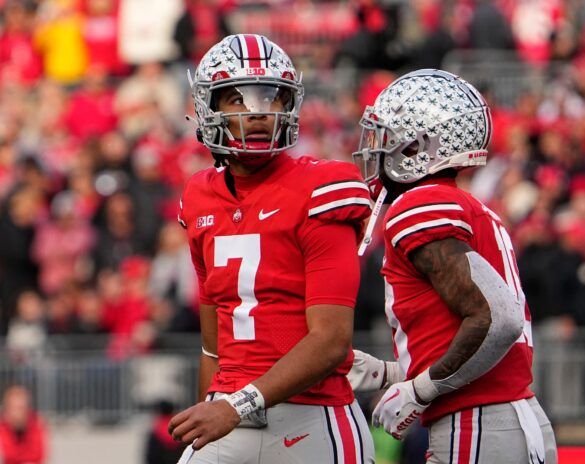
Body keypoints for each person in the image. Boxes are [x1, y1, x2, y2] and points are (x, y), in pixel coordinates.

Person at [168, 34, 375, 464]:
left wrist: (234, 406)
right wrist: (214, 404)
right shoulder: (198, 195)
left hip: (311, 417)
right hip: (229, 412)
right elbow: (213, 345)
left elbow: (331, 340)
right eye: (237, 99)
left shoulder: (323, 186)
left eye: (271, 97)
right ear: (209, 108)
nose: (258, 111)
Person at [349, 69, 557, 463]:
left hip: (478, 423)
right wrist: (393, 374)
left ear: (418, 147)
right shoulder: (467, 205)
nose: (374, 149)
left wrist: (419, 391)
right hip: (507, 417)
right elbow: (479, 335)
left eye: (387, 137)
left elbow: (498, 320)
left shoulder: (419, 204)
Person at [0, 385, 48, 464]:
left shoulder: (36, 425)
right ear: (7, 410)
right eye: (14, 408)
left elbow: (38, 455)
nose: (18, 413)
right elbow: (8, 455)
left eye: (21, 408)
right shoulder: (2, 428)